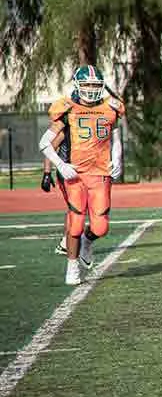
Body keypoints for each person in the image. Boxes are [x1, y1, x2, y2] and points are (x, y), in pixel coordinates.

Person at [39, 65, 125, 285]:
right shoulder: (67, 108)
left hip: (100, 174)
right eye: (86, 84)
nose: (90, 89)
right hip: (74, 174)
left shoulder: (111, 108)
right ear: (78, 85)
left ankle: (87, 241)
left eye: (95, 85)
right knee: (75, 222)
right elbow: (45, 143)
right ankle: (72, 267)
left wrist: (117, 159)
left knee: (100, 227)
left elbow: (115, 138)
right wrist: (58, 166)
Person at [40, 129, 70, 255]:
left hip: (82, 172)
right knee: (75, 207)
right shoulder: (66, 128)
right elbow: (49, 148)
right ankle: (66, 242)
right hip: (66, 172)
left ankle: (67, 241)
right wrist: (47, 173)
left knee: (83, 207)